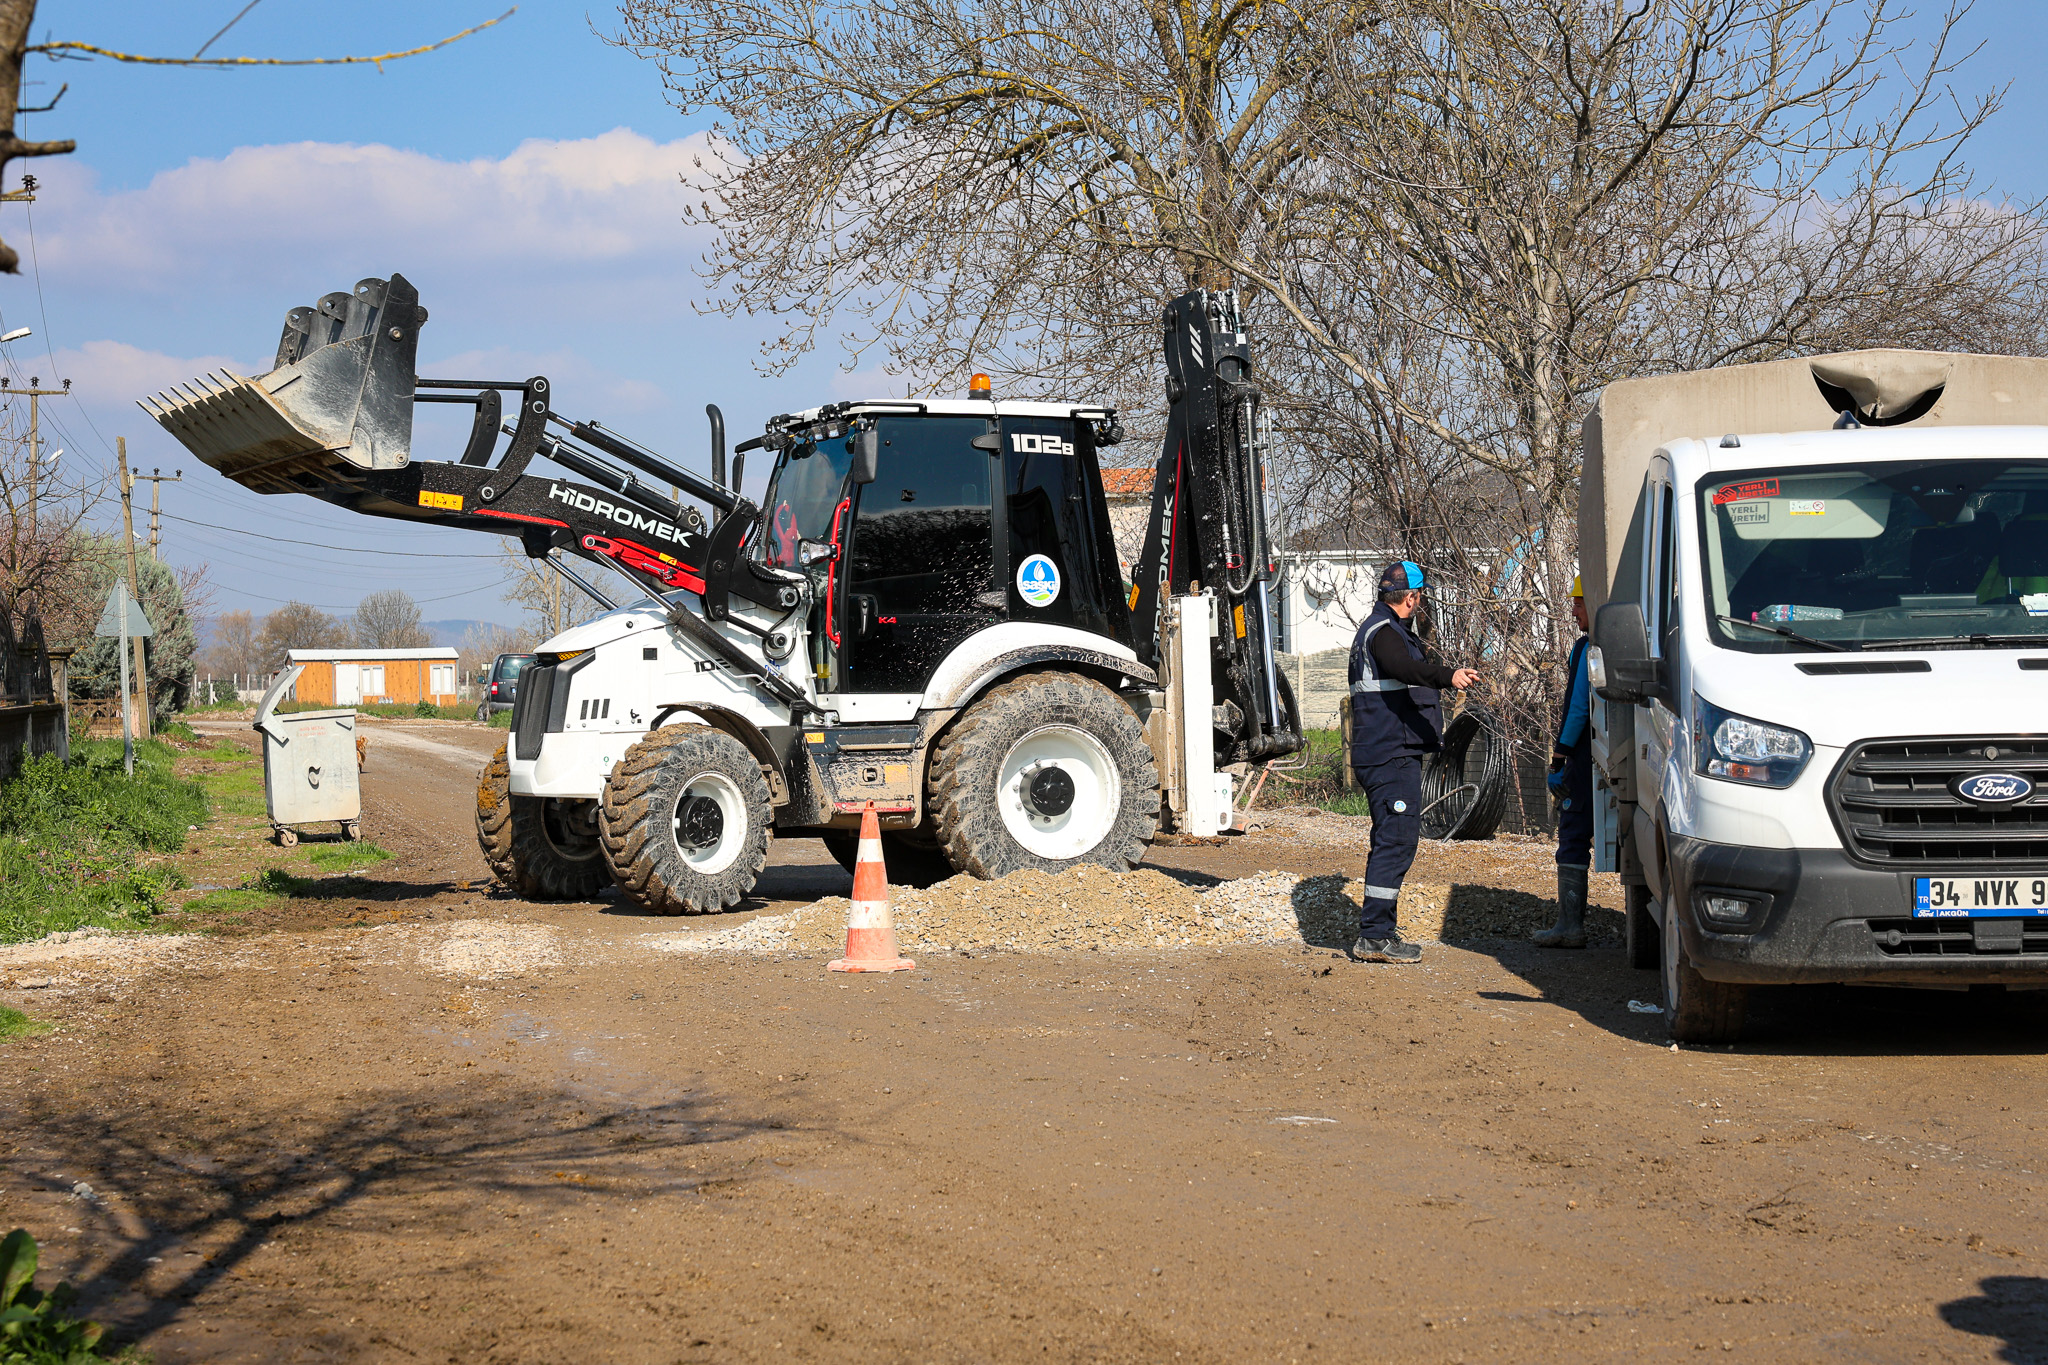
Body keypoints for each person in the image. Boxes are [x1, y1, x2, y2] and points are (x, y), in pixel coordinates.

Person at [1346, 561, 1480, 963]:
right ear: (1412, 597)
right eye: (1420, 599)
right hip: (1389, 755)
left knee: (1392, 838)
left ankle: (1378, 930)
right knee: (1397, 840)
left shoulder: (1383, 629)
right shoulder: (1384, 634)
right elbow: (1402, 668)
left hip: (1389, 752)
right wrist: (1446, 675)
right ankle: (1374, 936)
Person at [1536, 576, 1593, 948]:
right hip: (1598, 752)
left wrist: (1560, 754)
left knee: (1572, 833)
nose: (1573, 611)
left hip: (1584, 756)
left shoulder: (1587, 649)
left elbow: (1577, 706)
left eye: (1578, 603)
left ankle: (1569, 926)